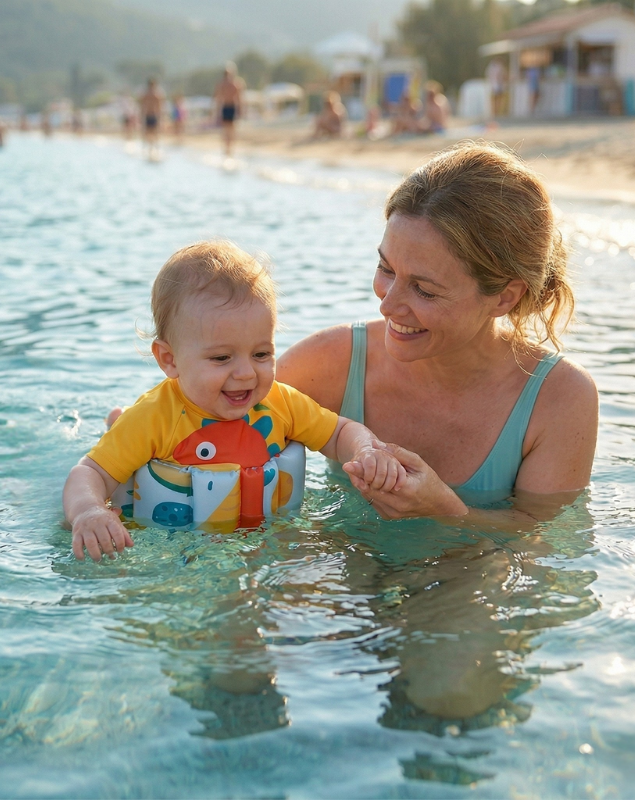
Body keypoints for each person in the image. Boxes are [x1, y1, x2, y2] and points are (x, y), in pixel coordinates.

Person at [277, 143, 598, 527]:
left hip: (477, 578)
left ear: (504, 297)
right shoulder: (328, 364)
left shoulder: (559, 398)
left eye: (424, 290)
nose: (388, 305)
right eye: (386, 269)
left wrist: (446, 512)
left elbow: (549, 539)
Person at [64, 241, 406, 561]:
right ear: (169, 360)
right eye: (221, 358)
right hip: (173, 537)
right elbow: (89, 472)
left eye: (261, 353)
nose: (246, 373)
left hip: (256, 532)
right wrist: (89, 511)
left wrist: (365, 450)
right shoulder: (153, 420)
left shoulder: (279, 403)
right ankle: (116, 422)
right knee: (123, 440)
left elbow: (338, 432)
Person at [213, 63, 243, 157]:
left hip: (229, 107)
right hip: (227, 107)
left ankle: (229, 148)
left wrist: (240, 109)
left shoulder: (232, 84)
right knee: (228, 129)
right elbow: (218, 98)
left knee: (229, 129)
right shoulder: (233, 84)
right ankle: (228, 148)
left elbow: (238, 98)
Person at [140, 78, 165, 158]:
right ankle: (152, 148)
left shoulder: (150, 95)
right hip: (151, 115)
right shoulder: (155, 95)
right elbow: (159, 107)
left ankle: (152, 148)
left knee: (151, 132)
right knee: (151, 132)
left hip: (151, 115)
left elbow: (159, 107)